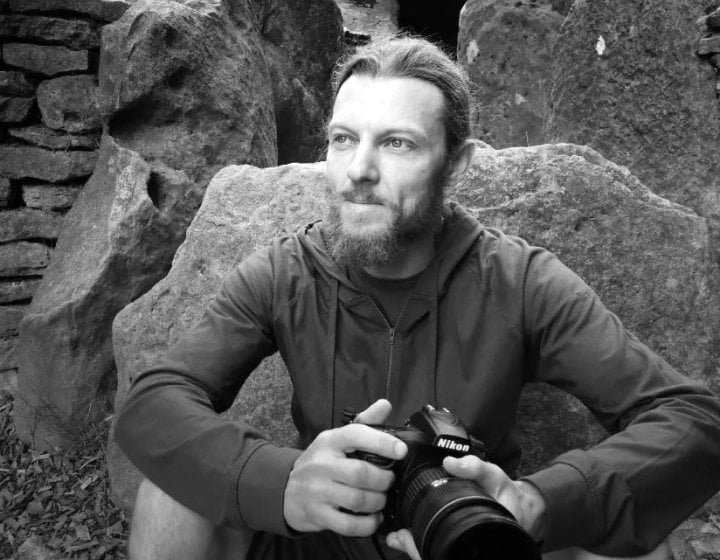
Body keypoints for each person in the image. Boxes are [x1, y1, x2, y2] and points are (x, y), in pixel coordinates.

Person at [114, 35, 720, 560]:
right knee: (172, 495)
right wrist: (283, 481)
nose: (359, 170)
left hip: (466, 539)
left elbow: (694, 422)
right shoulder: (284, 272)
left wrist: (538, 503)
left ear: (456, 165)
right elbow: (154, 403)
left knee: (638, 550)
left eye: (397, 144)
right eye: (344, 139)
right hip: (318, 538)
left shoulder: (520, 280)